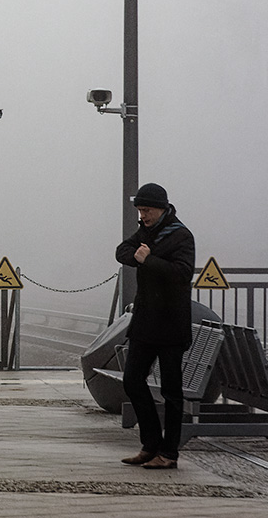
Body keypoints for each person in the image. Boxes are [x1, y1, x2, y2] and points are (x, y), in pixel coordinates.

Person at [116, 182, 195, 470]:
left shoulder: (181, 236)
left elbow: (183, 273)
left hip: (172, 325)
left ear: (161, 208)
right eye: (139, 210)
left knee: (172, 392)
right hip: (146, 322)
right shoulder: (146, 232)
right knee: (132, 380)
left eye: (146, 210)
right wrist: (138, 257)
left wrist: (149, 260)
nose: (142, 215)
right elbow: (122, 251)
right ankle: (150, 444)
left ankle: (169, 453)